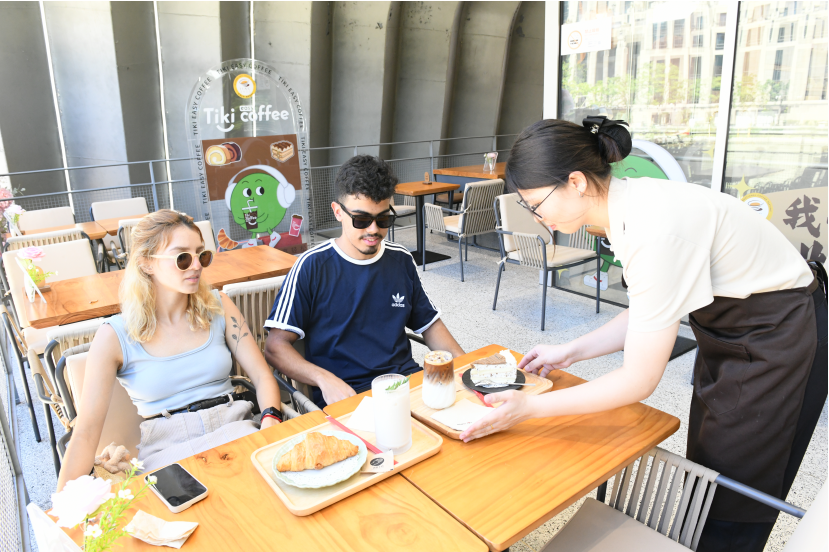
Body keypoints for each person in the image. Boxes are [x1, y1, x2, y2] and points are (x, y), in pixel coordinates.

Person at [458, 117, 827, 552]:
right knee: (710, 469)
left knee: (737, 486)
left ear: (575, 182)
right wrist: (571, 350)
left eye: (537, 204)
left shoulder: (653, 228)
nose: (538, 217)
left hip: (779, 334)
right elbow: (650, 311)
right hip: (736, 331)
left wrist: (529, 408)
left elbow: (638, 381)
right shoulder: (630, 207)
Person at [57, 210, 283, 490]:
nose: (196, 266)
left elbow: (262, 376)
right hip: (167, 448)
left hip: (235, 425)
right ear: (146, 263)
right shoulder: (114, 335)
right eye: (182, 258)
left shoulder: (219, 305)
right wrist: (64, 505)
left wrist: (271, 419)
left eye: (202, 255)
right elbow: (86, 431)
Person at [264, 155, 465, 407]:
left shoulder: (400, 259)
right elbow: (275, 347)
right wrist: (324, 379)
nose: (373, 230)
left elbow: (429, 324)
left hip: (404, 383)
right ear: (338, 211)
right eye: (361, 220)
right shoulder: (311, 266)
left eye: (383, 219)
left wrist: (466, 367)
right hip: (348, 394)